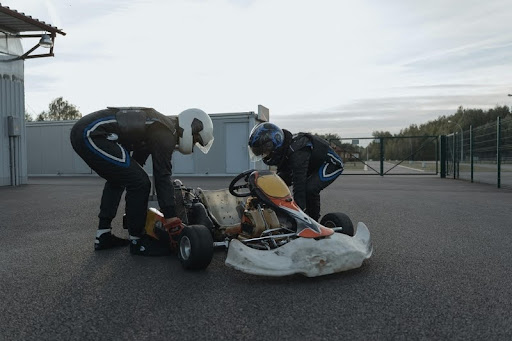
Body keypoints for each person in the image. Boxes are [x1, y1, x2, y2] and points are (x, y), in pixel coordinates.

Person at [70, 107, 214, 256]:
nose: (194, 144)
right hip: (91, 133)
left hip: (87, 132)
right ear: (191, 127)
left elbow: (136, 164)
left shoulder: (157, 127)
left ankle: (103, 235)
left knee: (121, 179)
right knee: (141, 183)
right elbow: (162, 175)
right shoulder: (165, 132)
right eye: (196, 139)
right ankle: (137, 241)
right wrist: (171, 217)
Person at [248, 122, 343, 222]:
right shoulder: (284, 150)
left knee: (309, 188)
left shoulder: (297, 151)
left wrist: (299, 215)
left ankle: (313, 221)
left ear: (274, 143)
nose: (264, 155)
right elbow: (280, 180)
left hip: (330, 164)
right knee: (278, 183)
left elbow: (299, 185)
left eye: (264, 152)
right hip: (311, 164)